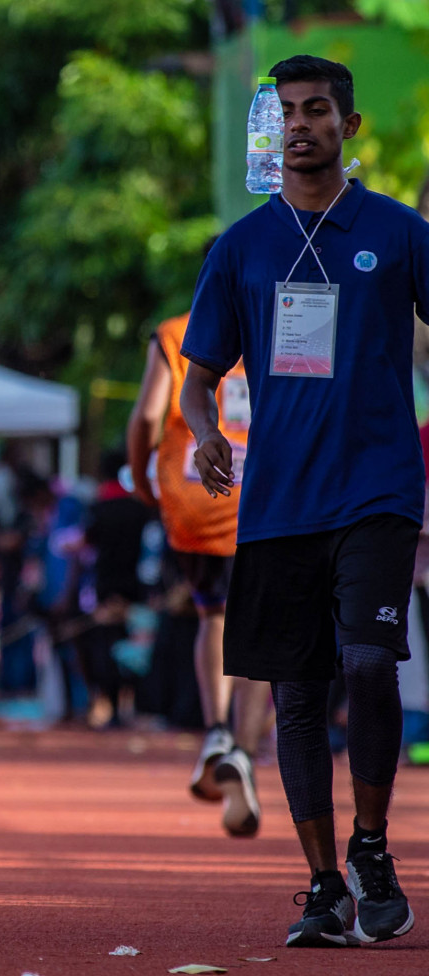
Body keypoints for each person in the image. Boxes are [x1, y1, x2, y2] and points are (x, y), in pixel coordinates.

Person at [182, 55, 426, 948]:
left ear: (348, 128)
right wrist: (205, 430)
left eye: (317, 109)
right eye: (285, 111)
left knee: (367, 662)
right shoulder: (241, 247)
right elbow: (198, 376)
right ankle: (323, 886)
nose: (298, 124)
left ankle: (371, 848)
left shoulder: (398, 234)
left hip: (379, 491)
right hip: (279, 500)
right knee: (296, 694)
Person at [129, 309, 271, 837]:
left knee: (215, 615)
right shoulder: (280, 319)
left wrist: (145, 483)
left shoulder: (173, 331)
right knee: (260, 629)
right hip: (264, 494)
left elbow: (147, 416)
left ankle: (215, 731)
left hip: (193, 495)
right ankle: (246, 752)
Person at [78, 451, 154, 729]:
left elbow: (86, 544)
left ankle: (111, 705)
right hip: (135, 587)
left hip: (106, 587)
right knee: (136, 646)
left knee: (106, 646)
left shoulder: (98, 508)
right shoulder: (140, 508)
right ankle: (130, 703)